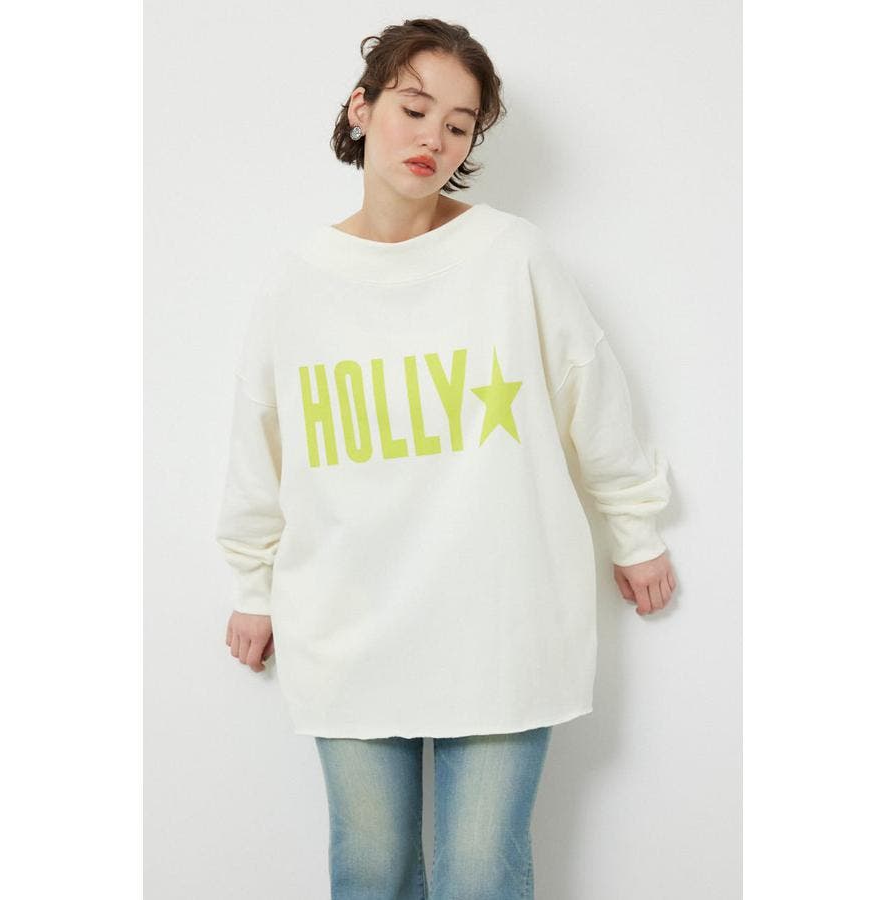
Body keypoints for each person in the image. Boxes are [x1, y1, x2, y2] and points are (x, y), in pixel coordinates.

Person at [215, 17, 677, 900]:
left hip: (496, 621)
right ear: (361, 108)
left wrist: (636, 529)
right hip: (346, 621)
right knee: (370, 871)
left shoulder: (510, 255)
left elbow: (589, 389)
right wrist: (252, 585)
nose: (434, 138)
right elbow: (259, 443)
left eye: (459, 125)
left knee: (478, 874)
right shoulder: (298, 280)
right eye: (414, 108)